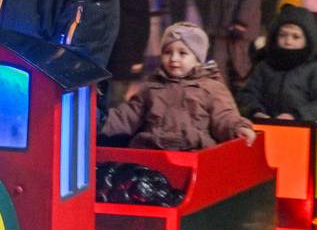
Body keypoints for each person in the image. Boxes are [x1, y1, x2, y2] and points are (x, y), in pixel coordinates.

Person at [101, 22, 255, 150]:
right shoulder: (151, 87)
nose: (174, 58)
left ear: (197, 59)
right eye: (168, 52)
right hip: (153, 151)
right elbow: (128, 115)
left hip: (193, 152)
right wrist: (99, 122)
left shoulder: (211, 88)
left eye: (182, 53)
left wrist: (237, 127)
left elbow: (224, 116)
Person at [238, 4, 317, 123]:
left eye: (296, 37)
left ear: (308, 40)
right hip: (267, 126)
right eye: (283, 35)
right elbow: (248, 94)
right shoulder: (264, 67)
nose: (288, 41)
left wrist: (297, 115)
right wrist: (255, 111)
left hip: (301, 129)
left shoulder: (314, 70)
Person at [106, 0, 152, 105]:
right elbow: (143, 27)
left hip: (107, 56)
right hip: (127, 55)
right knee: (119, 99)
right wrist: (139, 56)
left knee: (108, 99)